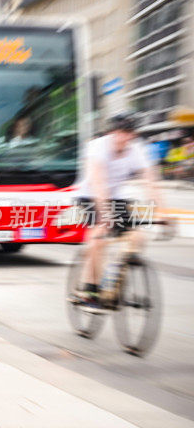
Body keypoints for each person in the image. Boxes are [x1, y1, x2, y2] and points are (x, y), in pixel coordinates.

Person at [73, 112, 167, 313]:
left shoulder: (137, 149)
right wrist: (105, 214)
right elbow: (98, 182)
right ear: (112, 132)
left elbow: (150, 181)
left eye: (129, 133)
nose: (125, 137)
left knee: (137, 237)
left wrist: (162, 212)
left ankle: (114, 282)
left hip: (116, 197)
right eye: (121, 132)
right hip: (89, 195)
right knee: (98, 236)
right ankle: (90, 290)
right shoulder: (98, 147)